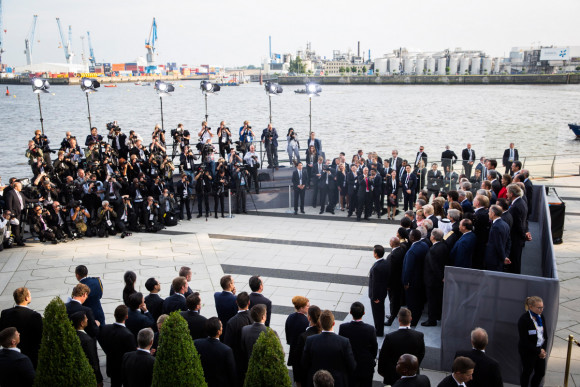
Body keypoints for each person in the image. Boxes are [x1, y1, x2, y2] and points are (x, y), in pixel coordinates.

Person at [302, 310, 356, 387]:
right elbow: (352, 365)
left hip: (317, 382)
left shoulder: (310, 340)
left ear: (320, 323)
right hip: (337, 382)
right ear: (333, 323)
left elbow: (304, 363)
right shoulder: (344, 342)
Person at [377, 308, 426, 386]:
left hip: (393, 376)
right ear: (411, 319)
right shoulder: (419, 336)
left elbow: (383, 357)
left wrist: (382, 372)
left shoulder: (390, 337)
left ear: (399, 320)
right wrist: (414, 367)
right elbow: (421, 354)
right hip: (412, 374)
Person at [0, 287, 43, 368]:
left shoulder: (5, 313)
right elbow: (40, 337)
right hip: (30, 357)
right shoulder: (34, 316)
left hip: (9, 356)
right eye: (30, 295)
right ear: (26, 298)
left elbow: (2, 332)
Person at [338, 302, 378, 387]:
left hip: (349, 366)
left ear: (350, 312)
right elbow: (374, 348)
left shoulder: (343, 328)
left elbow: (341, 346)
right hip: (366, 366)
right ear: (363, 313)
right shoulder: (370, 329)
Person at [98, 305, 137, 387]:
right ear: (126, 317)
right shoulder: (128, 335)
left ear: (114, 315)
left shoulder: (105, 328)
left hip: (112, 366)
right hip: (123, 368)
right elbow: (132, 353)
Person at [194, 317, 237, 387]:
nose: (222, 328)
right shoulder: (226, 350)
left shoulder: (196, 343)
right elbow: (232, 373)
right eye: (221, 326)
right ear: (219, 332)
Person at [224, 292, 253, 386]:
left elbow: (227, 345)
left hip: (238, 360)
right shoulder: (254, 318)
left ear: (236, 302)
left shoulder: (232, 322)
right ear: (249, 303)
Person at [518, 296, 547, 387]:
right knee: (527, 372)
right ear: (531, 307)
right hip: (528, 351)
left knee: (540, 372)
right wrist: (538, 351)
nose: (541, 310)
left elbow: (545, 335)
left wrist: (542, 350)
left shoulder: (541, 317)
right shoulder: (524, 320)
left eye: (542, 307)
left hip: (540, 350)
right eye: (539, 308)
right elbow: (524, 341)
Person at [402, 229, 429, 325]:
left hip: (413, 281)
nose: (409, 236)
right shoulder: (424, 245)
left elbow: (408, 269)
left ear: (412, 237)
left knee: (412, 302)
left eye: (410, 235)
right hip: (421, 277)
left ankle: (412, 320)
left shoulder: (411, 251)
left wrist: (406, 282)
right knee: (418, 299)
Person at [422, 229, 448, 327]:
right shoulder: (443, 246)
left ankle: (431, 320)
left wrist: (441, 277)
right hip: (438, 280)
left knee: (432, 300)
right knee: (437, 299)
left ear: (432, 237)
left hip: (432, 280)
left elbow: (434, 267)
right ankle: (437, 315)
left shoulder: (433, 250)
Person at [70, 311, 103, 387]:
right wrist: (98, 379)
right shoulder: (87, 340)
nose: (87, 319)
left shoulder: (72, 335)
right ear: (81, 323)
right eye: (86, 318)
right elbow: (93, 360)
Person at [507, 184, 531, 274]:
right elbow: (524, 220)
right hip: (519, 237)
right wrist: (526, 232)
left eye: (507, 192)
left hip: (515, 239)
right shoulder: (521, 202)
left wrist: (524, 235)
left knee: (514, 261)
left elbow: (518, 225)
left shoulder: (515, 207)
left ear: (512, 194)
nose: (506, 194)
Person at [368, 244, 389, 336]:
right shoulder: (386, 262)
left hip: (377, 296)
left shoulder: (376, 267)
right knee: (380, 312)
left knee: (377, 314)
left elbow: (376, 284)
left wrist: (375, 297)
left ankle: (379, 331)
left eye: (373, 251)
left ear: (376, 254)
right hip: (383, 293)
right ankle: (379, 329)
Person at [485, 205, 511, 271]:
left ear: (493, 213)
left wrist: (503, 257)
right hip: (499, 258)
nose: (488, 213)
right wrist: (505, 255)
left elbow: (498, 244)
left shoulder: (496, 227)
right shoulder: (505, 224)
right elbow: (509, 242)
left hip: (494, 259)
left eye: (489, 212)